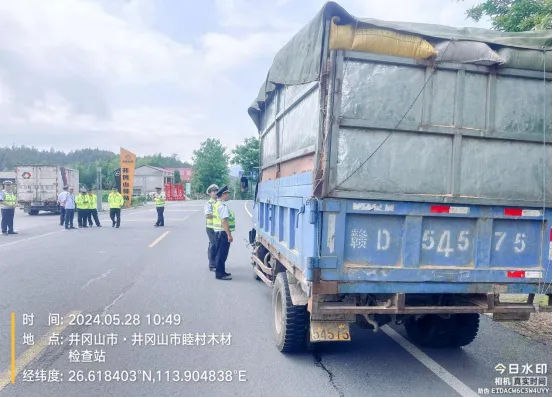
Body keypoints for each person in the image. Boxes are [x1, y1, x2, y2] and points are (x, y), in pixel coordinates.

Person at [212, 185, 234, 281]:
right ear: (223, 194)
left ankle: (221, 271)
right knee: (222, 254)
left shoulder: (217, 204)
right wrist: (229, 234)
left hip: (218, 232)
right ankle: (220, 274)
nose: (228, 195)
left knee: (220, 254)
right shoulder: (222, 206)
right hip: (222, 233)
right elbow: (224, 221)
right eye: (227, 194)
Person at [204, 184, 219, 272]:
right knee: (213, 245)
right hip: (210, 228)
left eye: (216, 191)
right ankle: (212, 264)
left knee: (217, 245)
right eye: (213, 191)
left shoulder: (218, 202)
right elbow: (208, 215)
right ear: (210, 193)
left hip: (218, 228)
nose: (215, 193)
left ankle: (216, 262)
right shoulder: (209, 204)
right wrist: (217, 214)